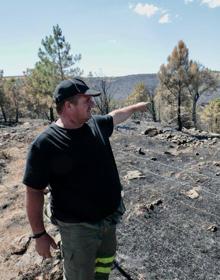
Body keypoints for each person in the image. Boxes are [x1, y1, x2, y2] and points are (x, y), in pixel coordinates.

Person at [23, 78, 149, 280]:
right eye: (87, 101)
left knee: (104, 267)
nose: (93, 104)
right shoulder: (45, 144)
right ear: (68, 106)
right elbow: (33, 191)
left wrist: (135, 107)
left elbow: (115, 116)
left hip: (109, 221)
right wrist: (39, 234)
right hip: (78, 230)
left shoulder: (95, 125)